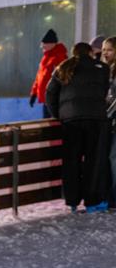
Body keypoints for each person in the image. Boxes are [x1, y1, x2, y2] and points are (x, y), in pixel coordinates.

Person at [45, 42, 110, 213]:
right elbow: (103, 91)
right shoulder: (102, 68)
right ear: (90, 52)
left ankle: (72, 200)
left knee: (71, 161)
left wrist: (59, 114)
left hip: (71, 121)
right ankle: (92, 202)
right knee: (93, 162)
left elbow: (50, 93)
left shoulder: (63, 67)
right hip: (96, 119)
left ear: (74, 53)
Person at [30, 29, 69, 118]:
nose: (42, 46)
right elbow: (39, 77)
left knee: (53, 125)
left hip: (55, 99)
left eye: (44, 44)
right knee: (47, 124)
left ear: (52, 44)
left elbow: (63, 79)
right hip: (46, 98)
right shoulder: (46, 58)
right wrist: (34, 93)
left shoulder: (60, 57)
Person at [102, 36, 116, 208]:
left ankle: (113, 198)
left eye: (110, 49)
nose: (105, 53)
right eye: (104, 49)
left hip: (112, 120)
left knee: (113, 158)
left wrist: (106, 114)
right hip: (110, 121)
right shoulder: (107, 69)